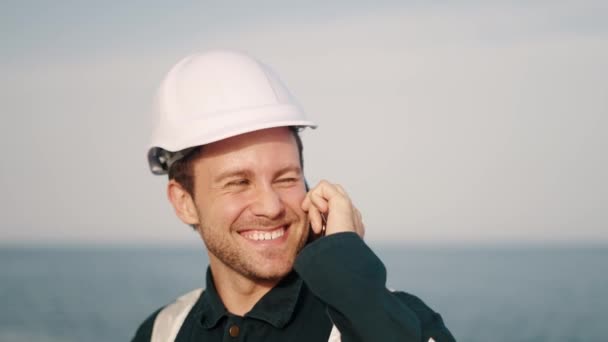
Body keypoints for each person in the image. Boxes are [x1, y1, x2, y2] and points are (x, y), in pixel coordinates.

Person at [132, 49, 455, 342]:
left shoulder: (394, 319)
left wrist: (348, 274)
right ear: (184, 202)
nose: (271, 206)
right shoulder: (163, 332)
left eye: (286, 178)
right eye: (239, 182)